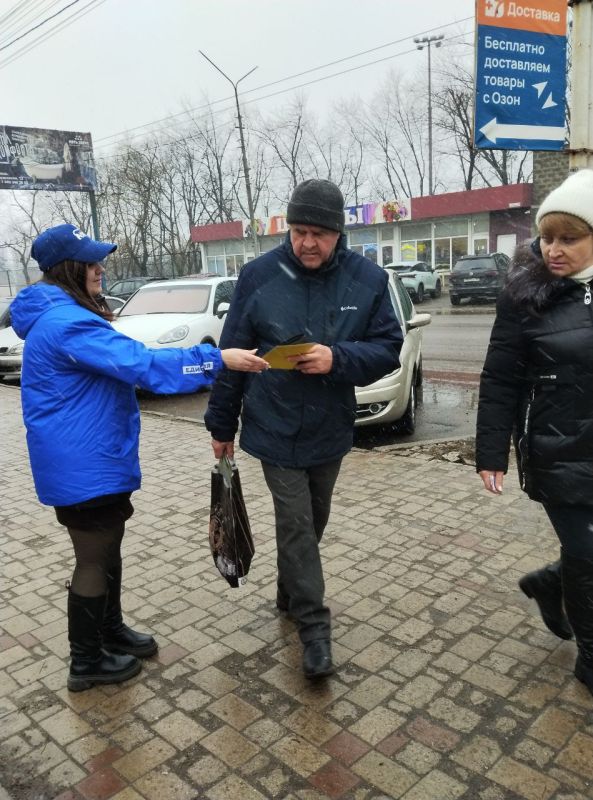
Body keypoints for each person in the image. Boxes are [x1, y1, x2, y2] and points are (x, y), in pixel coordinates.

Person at [11, 223, 269, 692]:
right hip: (83, 463)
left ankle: (109, 631)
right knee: (93, 558)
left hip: (90, 459)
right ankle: (86, 661)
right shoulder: (68, 323)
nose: (100, 270)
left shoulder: (62, 316)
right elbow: (144, 365)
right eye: (91, 263)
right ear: (69, 269)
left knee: (107, 551)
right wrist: (217, 360)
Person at [204, 179, 403, 678]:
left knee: (312, 522)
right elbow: (233, 357)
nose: (307, 242)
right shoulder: (257, 277)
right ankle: (313, 626)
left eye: (319, 233)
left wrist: (338, 357)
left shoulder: (368, 280)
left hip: (329, 428)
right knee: (296, 524)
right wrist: (221, 424)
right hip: (272, 426)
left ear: (339, 234)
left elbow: (387, 349)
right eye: (298, 231)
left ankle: (289, 589)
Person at [476, 169, 593, 698]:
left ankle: (549, 583)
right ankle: (590, 659)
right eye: (547, 237)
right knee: (588, 553)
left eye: (570, 238)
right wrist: (491, 450)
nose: (553, 250)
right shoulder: (525, 297)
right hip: (556, 448)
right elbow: (500, 377)